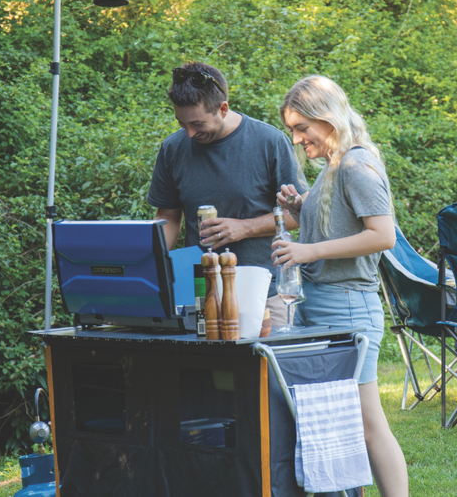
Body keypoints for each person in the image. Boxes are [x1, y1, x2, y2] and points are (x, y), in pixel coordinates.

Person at [271, 75, 409, 497]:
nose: (296, 140)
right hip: (324, 305)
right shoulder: (335, 166)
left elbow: (382, 235)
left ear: (327, 119)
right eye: (292, 130)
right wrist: (302, 207)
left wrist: (307, 252)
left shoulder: (355, 164)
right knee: (335, 421)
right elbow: (342, 223)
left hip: (349, 307)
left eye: (301, 128)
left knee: (368, 424)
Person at [146, 62, 307, 323]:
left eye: (197, 123)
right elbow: (168, 217)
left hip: (264, 293)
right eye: (181, 123)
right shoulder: (173, 148)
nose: (189, 133)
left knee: (262, 365)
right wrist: (149, 266)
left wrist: (245, 228)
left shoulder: (269, 142)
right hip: (199, 293)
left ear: (223, 109)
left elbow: (298, 215)